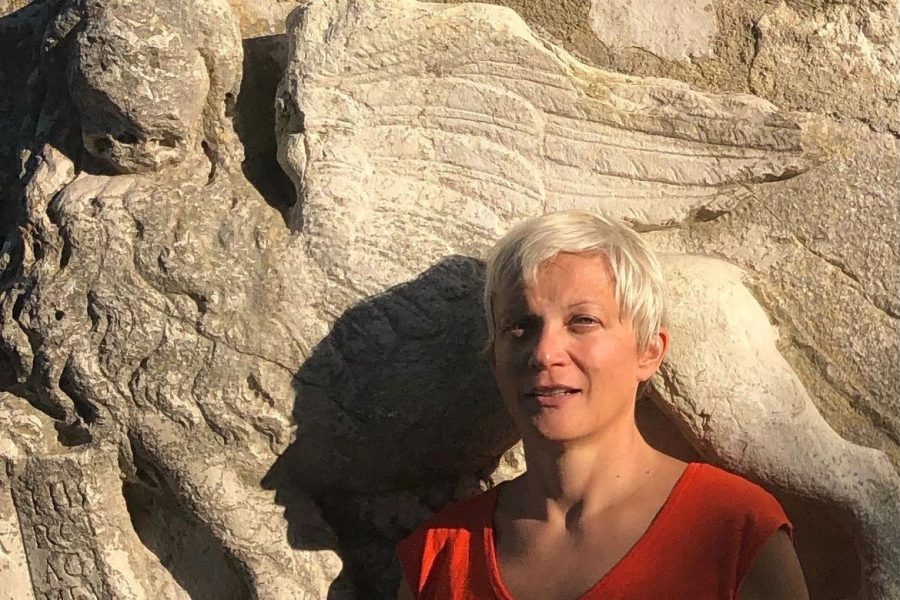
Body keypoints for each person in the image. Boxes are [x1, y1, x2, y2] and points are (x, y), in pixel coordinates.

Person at [395, 210, 808, 600]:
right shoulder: (439, 557)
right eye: (519, 327)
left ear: (649, 351)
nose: (544, 353)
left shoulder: (733, 530)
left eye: (583, 322)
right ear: (494, 359)